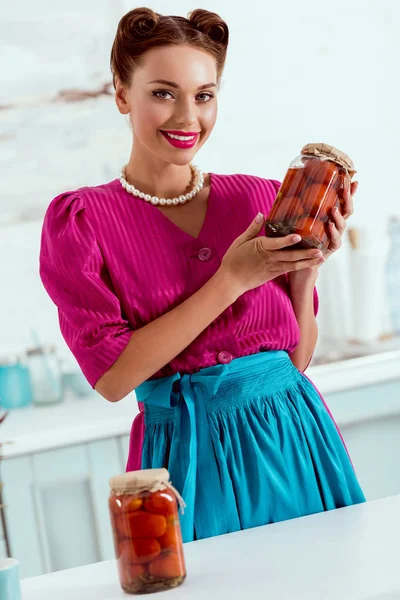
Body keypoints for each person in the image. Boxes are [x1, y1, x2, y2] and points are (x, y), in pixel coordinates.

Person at [39, 7, 365, 542]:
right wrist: (233, 280)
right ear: (122, 94)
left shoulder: (260, 198)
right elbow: (113, 379)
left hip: (295, 437)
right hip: (188, 461)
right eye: (163, 93)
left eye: (204, 95)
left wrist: (305, 274)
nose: (187, 117)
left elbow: (294, 362)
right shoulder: (81, 222)